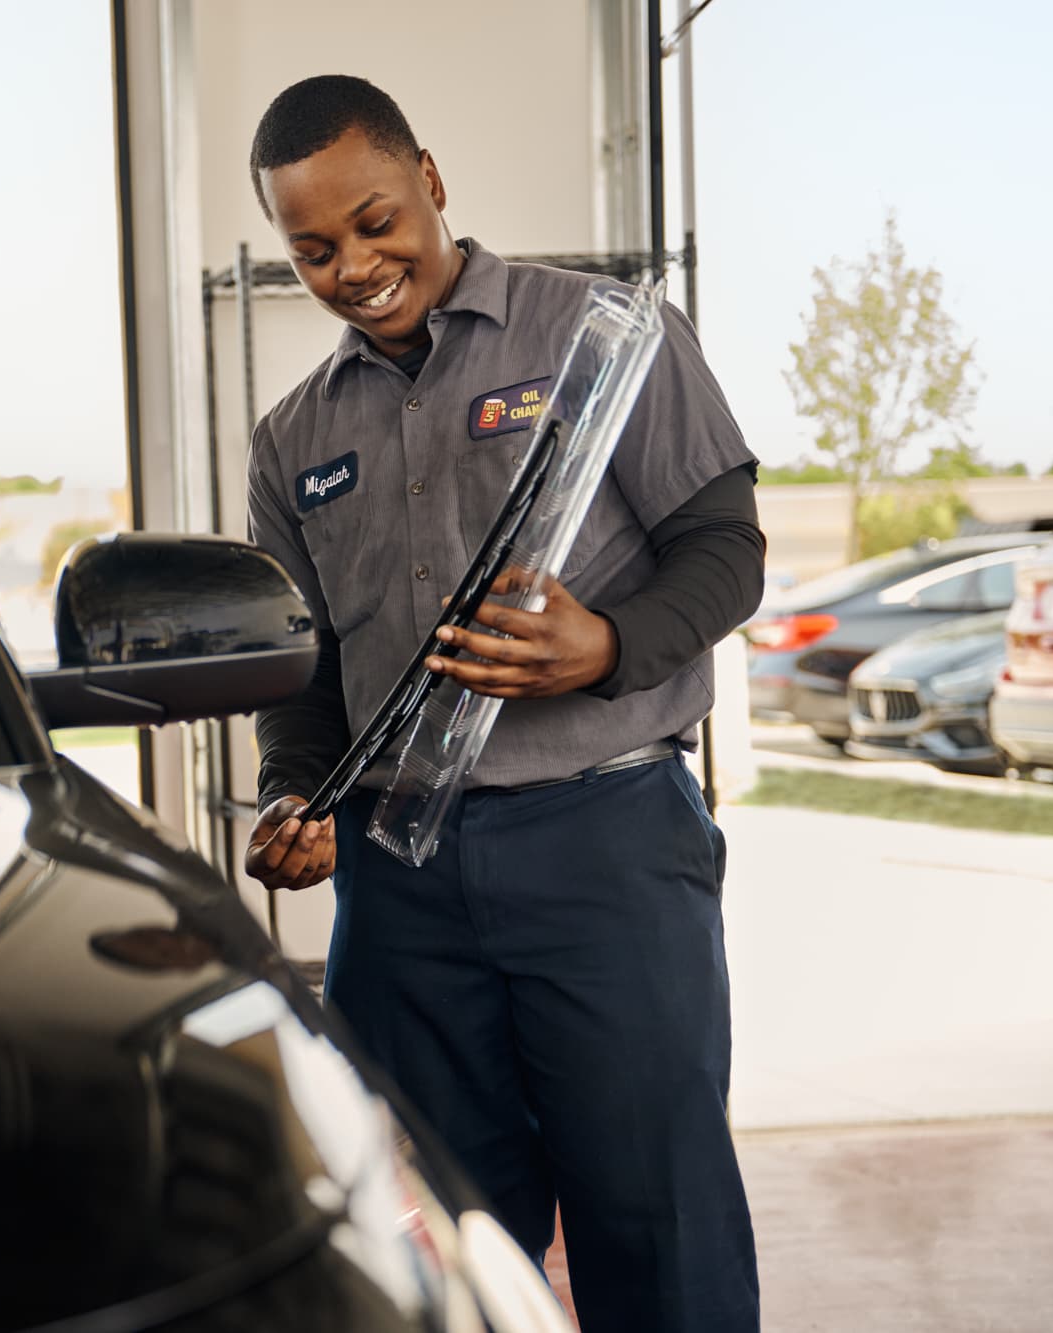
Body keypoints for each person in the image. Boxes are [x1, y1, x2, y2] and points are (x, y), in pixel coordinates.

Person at [241, 76, 763, 1332]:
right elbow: (307, 676)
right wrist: (289, 788)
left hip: (603, 847)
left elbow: (723, 547)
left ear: (428, 176)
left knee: (656, 1212)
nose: (354, 265)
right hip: (398, 880)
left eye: (373, 221)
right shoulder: (288, 437)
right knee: (441, 1233)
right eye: (312, 249)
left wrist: (607, 643)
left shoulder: (601, 335)